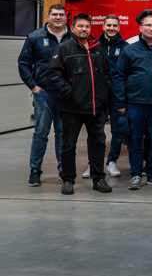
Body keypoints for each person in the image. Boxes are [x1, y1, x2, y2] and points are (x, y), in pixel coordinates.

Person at [47, 14, 113, 195]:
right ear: (73, 28)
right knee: (68, 145)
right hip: (72, 108)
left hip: (95, 108)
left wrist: (103, 93)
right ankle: (68, 180)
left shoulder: (97, 49)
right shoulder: (64, 48)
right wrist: (69, 92)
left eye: (87, 27)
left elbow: (107, 74)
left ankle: (98, 178)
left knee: (98, 144)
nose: (84, 29)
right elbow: (53, 75)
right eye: (81, 26)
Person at [113, 14, 152, 190]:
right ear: (140, 28)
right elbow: (118, 76)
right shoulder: (129, 50)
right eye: (148, 25)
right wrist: (121, 103)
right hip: (135, 104)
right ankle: (135, 174)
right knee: (135, 140)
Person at [18, 4, 70, 187]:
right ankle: (34, 170)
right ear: (47, 16)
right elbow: (23, 63)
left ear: (66, 17)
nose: (58, 17)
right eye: (54, 14)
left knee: (63, 134)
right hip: (44, 93)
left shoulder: (73, 37)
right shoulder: (35, 37)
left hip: (65, 94)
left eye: (61, 15)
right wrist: (33, 86)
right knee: (41, 132)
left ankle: (64, 171)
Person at [94, 14, 129, 178]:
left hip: (117, 94)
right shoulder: (94, 45)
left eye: (115, 25)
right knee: (95, 130)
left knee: (118, 129)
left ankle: (111, 162)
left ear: (119, 27)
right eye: (109, 25)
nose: (111, 28)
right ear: (103, 26)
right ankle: (93, 163)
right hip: (98, 93)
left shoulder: (126, 47)